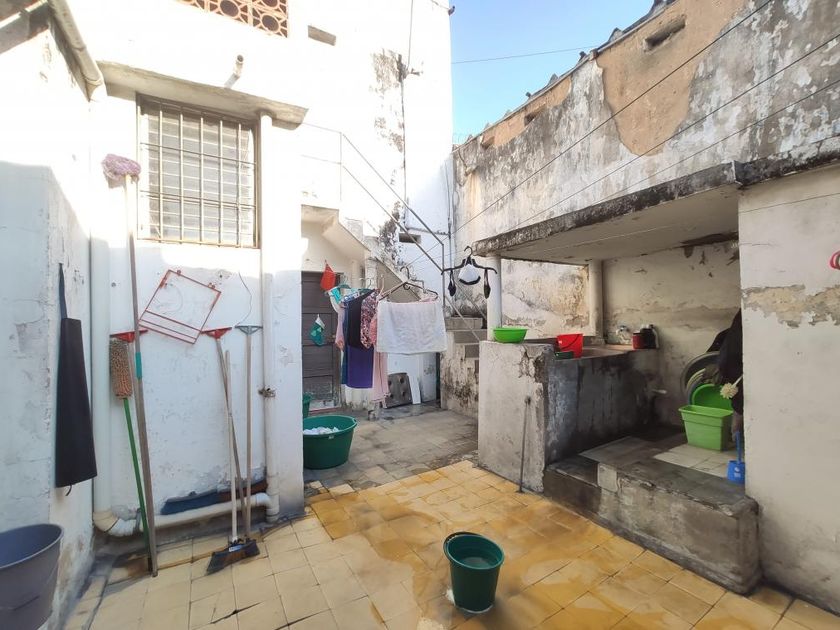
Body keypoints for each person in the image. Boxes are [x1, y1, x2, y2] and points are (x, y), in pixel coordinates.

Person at [717, 310, 743, 439]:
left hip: (733, 367)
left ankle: (737, 437)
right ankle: (737, 437)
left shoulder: (737, 327)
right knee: (739, 405)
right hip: (735, 368)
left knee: (739, 406)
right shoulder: (738, 329)